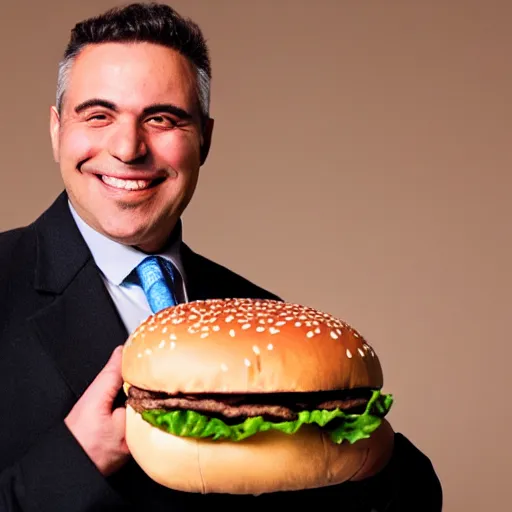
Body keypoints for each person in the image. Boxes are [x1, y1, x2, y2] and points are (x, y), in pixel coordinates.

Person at [0, 3, 442, 511]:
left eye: (162, 119)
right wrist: (76, 460)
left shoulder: (262, 316)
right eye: (98, 115)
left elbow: (411, 498)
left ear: (204, 139)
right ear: (57, 131)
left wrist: (362, 452)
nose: (127, 147)